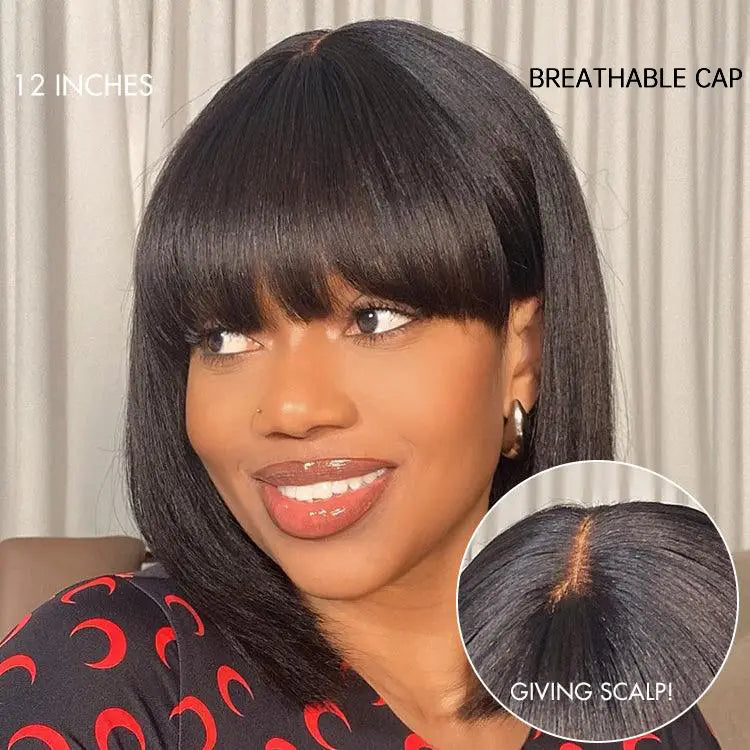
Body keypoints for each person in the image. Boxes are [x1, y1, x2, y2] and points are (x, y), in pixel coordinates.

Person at [0, 17, 721, 749]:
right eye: (224, 337)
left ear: (523, 355)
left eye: (374, 319)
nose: (290, 407)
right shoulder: (100, 674)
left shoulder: (631, 697)